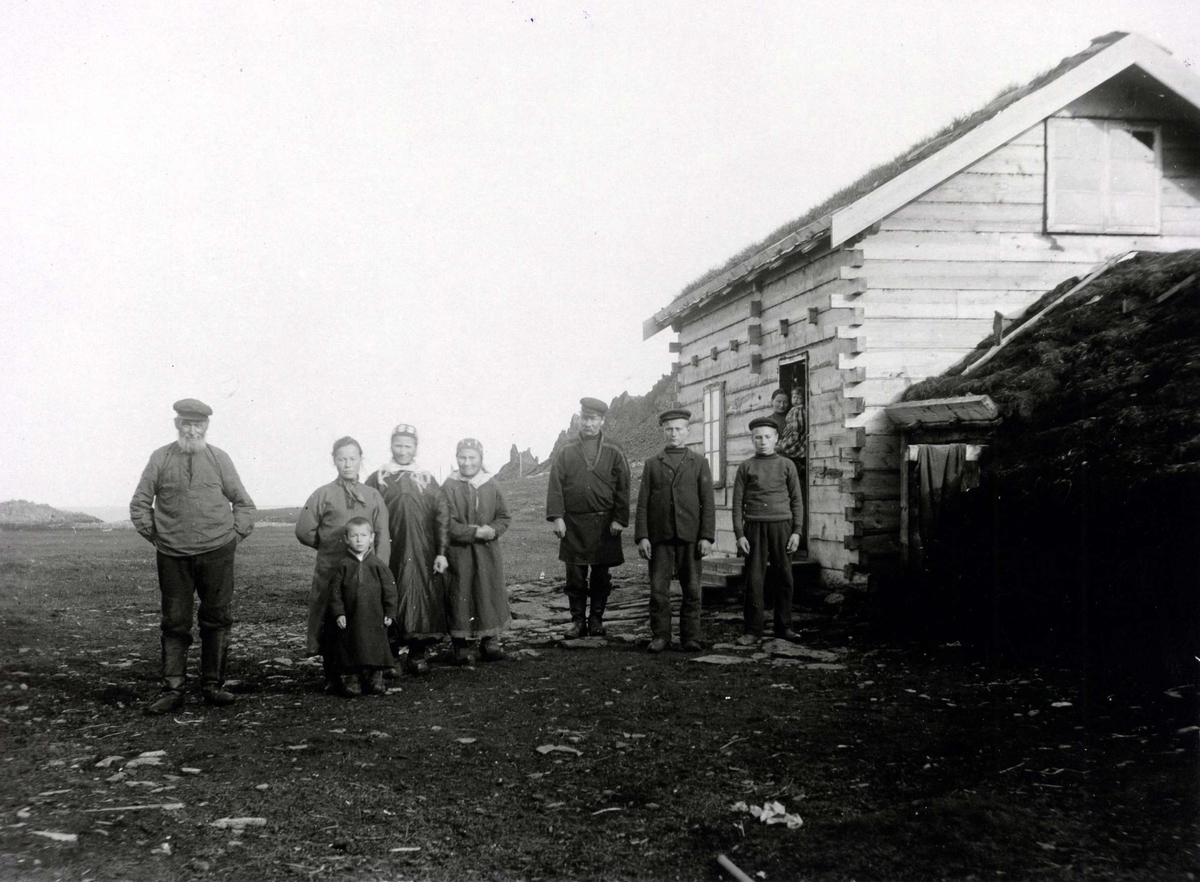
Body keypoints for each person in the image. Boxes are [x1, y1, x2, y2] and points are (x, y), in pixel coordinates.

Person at [130, 398, 256, 715]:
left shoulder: (219, 458)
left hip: (217, 552)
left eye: (198, 424)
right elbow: (139, 503)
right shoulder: (160, 458)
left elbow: (244, 503)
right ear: (177, 425)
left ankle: (213, 686)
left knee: (217, 618)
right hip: (173, 556)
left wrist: (233, 538)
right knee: (175, 622)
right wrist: (157, 536)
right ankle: (173, 691)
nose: (192, 430)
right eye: (186, 423)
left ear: (206, 426)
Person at [296, 437, 391, 693]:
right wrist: (329, 547)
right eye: (342, 459)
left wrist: (378, 571)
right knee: (333, 620)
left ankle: (370, 673)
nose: (348, 464)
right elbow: (304, 530)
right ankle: (335, 675)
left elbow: (382, 536)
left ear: (361, 460)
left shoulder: (373, 496)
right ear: (334, 461)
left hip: (365, 575)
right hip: (331, 572)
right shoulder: (322, 494)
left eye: (352, 458)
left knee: (366, 621)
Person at [364, 424, 449, 676]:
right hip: (389, 551)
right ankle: (390, 656)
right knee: (389, 596)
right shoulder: (379, 478)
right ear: (391, 446)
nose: (403, 451)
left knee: (423, 598)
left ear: (415, 448)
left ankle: (417, 654)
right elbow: (366, 512)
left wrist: (441, 551)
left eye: (408, 446)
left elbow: (442, 516)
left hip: (423, 552)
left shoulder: (426, 479)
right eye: (398, 445)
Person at [546, 397, 631, 638]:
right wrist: (557, 517)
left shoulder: (614, 450)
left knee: (601, 576)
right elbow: (555, 484)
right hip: (573, 524)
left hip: (605, 524)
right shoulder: (566, 449)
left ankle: (595, 620)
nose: (588, 423)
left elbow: (624, 487)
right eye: (584, 418)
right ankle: (577, 622)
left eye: (593, 419)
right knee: (575, 575)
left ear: (602, 420)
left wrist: (619, 519)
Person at [635, 409, 716, 653]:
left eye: (678, 429)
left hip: (690, 537)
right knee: (658, 590)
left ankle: (690, 636)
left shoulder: (699, 463)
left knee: (692, 589)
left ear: (688, 431)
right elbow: (642, 503)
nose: (673, 433)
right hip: (660, 537)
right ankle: (661, 636)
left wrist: (706, 536)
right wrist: (643, 536)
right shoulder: (652, 464)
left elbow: (708, 503)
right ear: (663, 431)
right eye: (669, 429)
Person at [732, 417, 804, 645]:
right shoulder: (746, 467)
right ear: (752, 440)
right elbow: (737, 503)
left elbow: (797, 500)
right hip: (754, 528)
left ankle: (784, 627)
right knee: (754, 580)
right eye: (758, 437)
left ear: (776, 438)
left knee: (784, 578)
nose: (763, 441)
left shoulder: (787, 465)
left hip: (783, 527)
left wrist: (797, 531)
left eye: (767, 437)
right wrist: (739, 534)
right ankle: (752, 631)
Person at [443, 438, 512, 666]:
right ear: (456, 458)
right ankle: (461, 645)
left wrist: (493, 530)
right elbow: (447, 523)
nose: (467, 462)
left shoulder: (490, 485)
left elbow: (504, 516)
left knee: (487, 591)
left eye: (472, 457)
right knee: (460, 593)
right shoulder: (449, 486)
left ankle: (489, 640)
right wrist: (474, 532)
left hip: (486, 553)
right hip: (459, 553)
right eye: (462, 457)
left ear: (481, 459)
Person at [325, 517, 398, 697]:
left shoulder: (378, 565)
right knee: (350, 645)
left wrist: (390, 612)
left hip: (374, 616)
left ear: (371, 537)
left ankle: (375, 677)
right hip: (351, 616)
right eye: (354, 536)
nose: (359, 540)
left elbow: (390, 591)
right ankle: (351, 678)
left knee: (375, 645)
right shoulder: (343, 565)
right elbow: (334, 593)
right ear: (346, 539)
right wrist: (339, 613)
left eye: (364, 535)